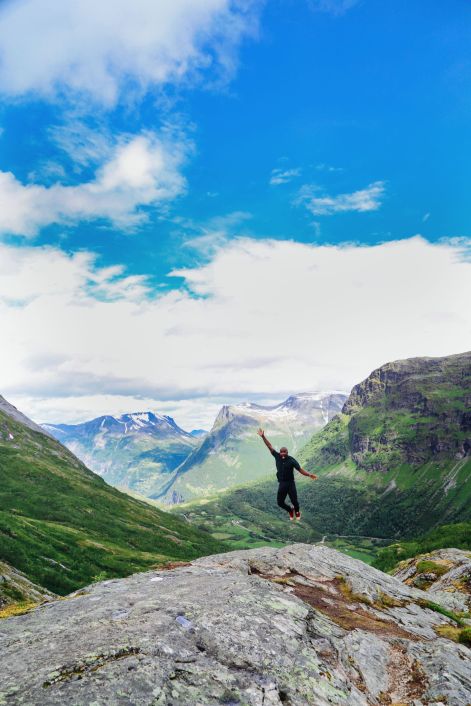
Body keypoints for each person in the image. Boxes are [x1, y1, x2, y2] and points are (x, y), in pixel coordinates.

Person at [257, 428, 318, 521]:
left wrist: (309, 475)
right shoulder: (277, 456)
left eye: (284, 452)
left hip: (290, 483)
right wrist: (263, 436)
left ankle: (297, 511)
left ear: (287, 452)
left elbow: (300, 470)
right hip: (282, 483)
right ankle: (290, 509)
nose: (282, 454)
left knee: (295, 501)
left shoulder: (291, 460)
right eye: (281, 452)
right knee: (280, 502)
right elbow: (269, 446)